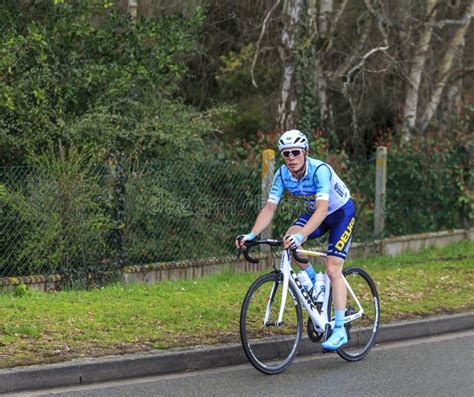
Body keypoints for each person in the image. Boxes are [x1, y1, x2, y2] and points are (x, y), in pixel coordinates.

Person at [235, 129, 356, 350]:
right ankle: (314, 282)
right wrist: (251, 235)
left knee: (332, 269)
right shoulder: (282, 174)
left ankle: (339, 329)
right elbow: (270, 207)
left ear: (305, 152)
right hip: (317, 212)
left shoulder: (319, 170)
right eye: (286, 154)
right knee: (288, 239)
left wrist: (302, 235)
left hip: (340, 213)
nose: (291, 158)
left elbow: (321, 210)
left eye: (295, 152)